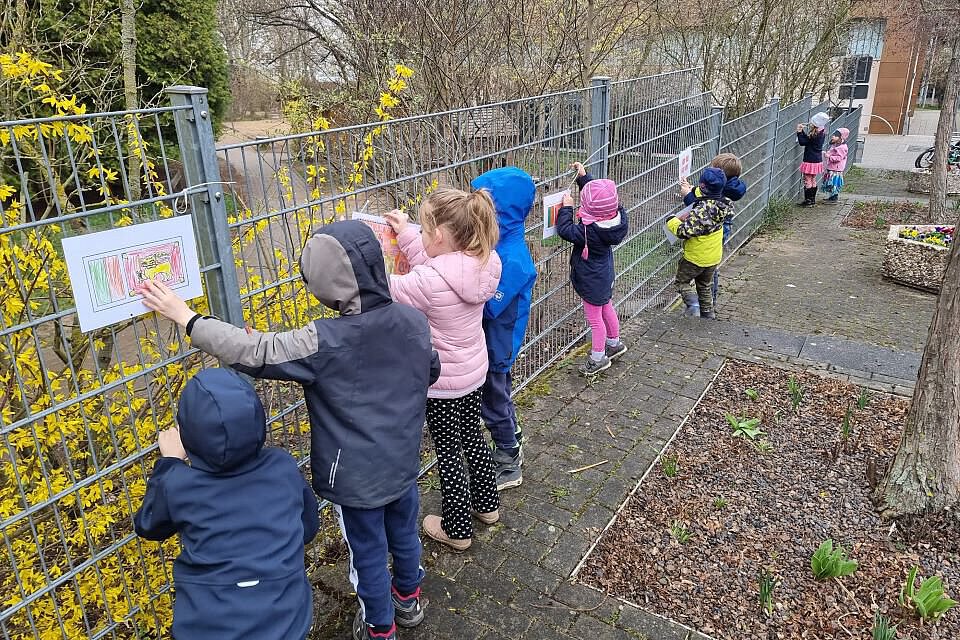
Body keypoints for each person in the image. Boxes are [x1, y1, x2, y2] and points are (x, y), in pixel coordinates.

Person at [138, 220, 440, 640]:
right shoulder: (413, 321)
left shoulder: (323, 339)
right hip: (404, 461)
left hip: (356, 480)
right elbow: (431, 369)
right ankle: (408, 599)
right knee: (404, 532)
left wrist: (186, 317)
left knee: (367, 551)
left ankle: (379, 626)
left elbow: (256, 352)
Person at [134, 368, 320, 640]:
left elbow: (148, 524)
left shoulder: (179, 485)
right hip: (286, 619)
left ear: (188, 435)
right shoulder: (282, 467)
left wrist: (169, 463)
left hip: (207, 627)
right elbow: (308, 528)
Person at [385, 187, 503, 552]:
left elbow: (385, 287)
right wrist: (405, 232)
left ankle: (457, 529)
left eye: (422, 230)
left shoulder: (429, 282)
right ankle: (488, 507)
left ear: (438, 236)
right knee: (473, 435)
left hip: (442, 382)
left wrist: (366, 255)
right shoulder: (485, 261)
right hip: (473, 372)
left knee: (448, 450)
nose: (419, 236)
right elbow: (434, 263)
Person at [470, 167, 537, 491]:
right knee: (499, 397)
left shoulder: (514, 261)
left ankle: (508, 460)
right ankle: (512, 434)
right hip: (491, 343)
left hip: (497, 347)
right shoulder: (498, 247)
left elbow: (487, 305)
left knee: (493, 401)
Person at [556, 162, 629, 376]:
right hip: (604, 274)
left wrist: (567, 208)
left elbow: (565, 229)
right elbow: (600, 200)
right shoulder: (618, 217)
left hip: (590, 279)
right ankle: (614, 344)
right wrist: (583, 177)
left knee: (596, 320)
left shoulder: (587, 232)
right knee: (607, 307)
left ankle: (598, 358)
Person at [680, 153, 747, 306]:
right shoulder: (728, 189)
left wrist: (687, 196)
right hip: (721, 231)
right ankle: (709, 302)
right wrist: (695, 190)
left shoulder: (720, 195)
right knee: (711, 265)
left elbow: (702, 210)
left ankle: (704, 301)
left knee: (706, 268)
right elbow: (707, 198)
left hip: (710, 233)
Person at [667, 167, 732, 320]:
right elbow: (702, 199)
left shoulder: (702, 211)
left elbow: (684, 231)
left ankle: (693, 305)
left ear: (702, 186)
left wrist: (672, 221)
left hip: (695, 257)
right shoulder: (725, 204)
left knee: (681, 282)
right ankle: (708, 314)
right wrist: (690, 191)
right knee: (704, 285)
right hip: (713, 257)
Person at [797, 112, 829, 206]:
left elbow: (803, 142)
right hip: (817, 160)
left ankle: (808, 201)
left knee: (807, 179)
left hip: (810, 159)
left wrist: (799, 132)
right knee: (813, 179)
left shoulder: (815, 135)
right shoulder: (821, 132)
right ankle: (812, 199)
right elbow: (808, 140)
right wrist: (802, 132)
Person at [822, 127, 849, 202]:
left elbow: (839, 158)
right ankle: (831, 196)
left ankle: (834, 197)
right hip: (831, 167)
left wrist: (829, 157)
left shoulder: (842, 148)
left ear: (841, 137)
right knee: (830, 182)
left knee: (834, 183)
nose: (833, 137)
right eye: (833, 135)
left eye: (836, 135)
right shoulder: (835, 145)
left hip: (836, 169)